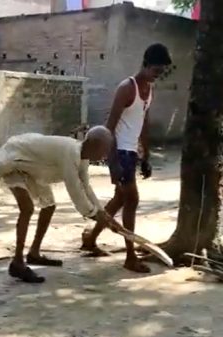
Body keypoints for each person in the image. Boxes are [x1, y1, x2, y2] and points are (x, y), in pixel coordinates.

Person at [80, 43, 172, 273]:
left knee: (119, 200)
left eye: (161, 72)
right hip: (119, 151)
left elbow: (144, 124)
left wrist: (147, 156)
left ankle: (91, 238)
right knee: (132, 200)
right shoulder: (126, 87)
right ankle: (130, 256)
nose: (157, 76)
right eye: (156, 71)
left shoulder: (149, 90)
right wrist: (113, 163)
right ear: (146, 64)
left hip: (131, 152)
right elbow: (109, 127)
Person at [0, 126, 122, 283]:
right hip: (12, 160)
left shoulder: (82, 157)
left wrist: (101, 212)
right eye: (104, 150)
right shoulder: (70, 153)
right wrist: (94, 214)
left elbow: (86, 186)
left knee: (49, 206)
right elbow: (75, 189)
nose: (105, 155)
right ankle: (17, 262)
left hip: (33, 168)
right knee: (27, 209)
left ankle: (34, 253)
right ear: (94, 145)